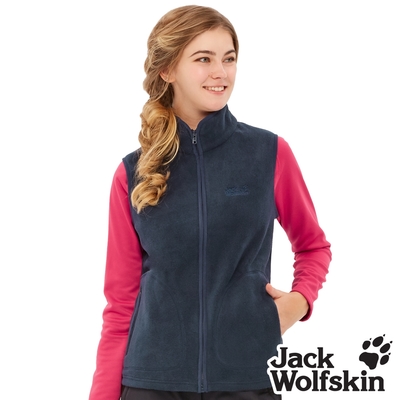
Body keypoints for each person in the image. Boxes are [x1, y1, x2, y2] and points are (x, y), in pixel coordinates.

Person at [88, 5, 332, 400]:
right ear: (167, 70)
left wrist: (298, 303)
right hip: (151, 382)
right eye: (203, 59)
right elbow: (120, 304)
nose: (221, 72)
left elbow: (313, 245)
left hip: (247, 379)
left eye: (229, 59)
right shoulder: (133, 173)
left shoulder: (269, 153)